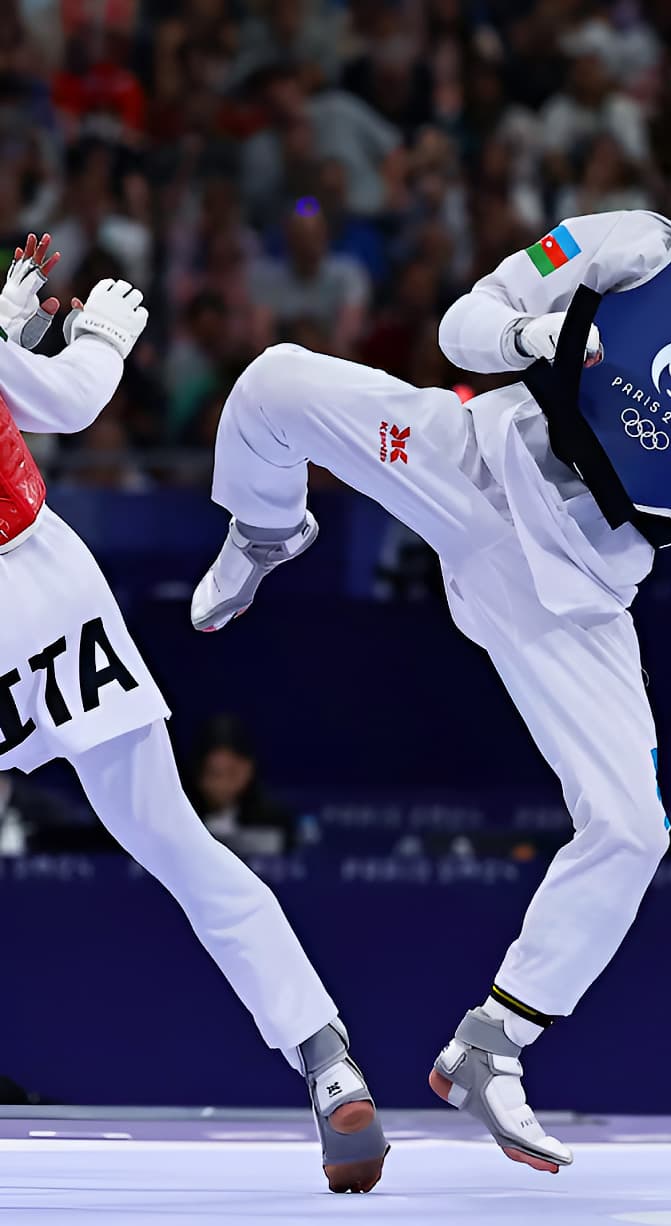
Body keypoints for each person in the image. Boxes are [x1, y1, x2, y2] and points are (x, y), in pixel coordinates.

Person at [191, 64, 671, 1172]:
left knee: (634, 829)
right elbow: (465, 320)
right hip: (477, 466)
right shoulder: (634, 241)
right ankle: (266, 531)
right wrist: (530, 342)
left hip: (577, 592)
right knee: (272, 383)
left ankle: (491, 1044)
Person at [0, 235, 386, 1194]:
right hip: (48, 590)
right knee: (175, 841)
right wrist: (95, 337)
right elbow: (71, 402)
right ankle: (325, 1057)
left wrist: (10, 331)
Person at [187, 713, 295, 855]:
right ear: (199, 774)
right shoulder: (183, 821)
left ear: (248, 769)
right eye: (214, 773)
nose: (223, 785)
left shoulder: (277, 822)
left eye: (232, 773)